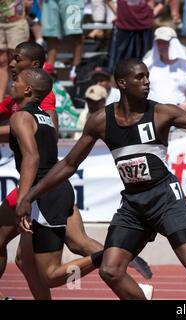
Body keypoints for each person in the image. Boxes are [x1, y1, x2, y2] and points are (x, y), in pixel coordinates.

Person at [16, 58, 186, 300]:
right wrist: (29, 196)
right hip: (133, 205)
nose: (147, 82)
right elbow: (67, 164)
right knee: (110, 270)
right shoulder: (101, 120)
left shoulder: (163, 113)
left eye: (148, 76)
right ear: (122, 83)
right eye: (140, 77)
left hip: (165, 197)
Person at [0, 42, 152, 300]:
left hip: (42, 191)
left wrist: (25, 199)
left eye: (17, 63)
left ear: (28, 86)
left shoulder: (27, 111)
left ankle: (107, 257)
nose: (11, 72)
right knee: (37, 258)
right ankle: (128, 281)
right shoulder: (36, 113)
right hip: (54, 187)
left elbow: (32, 156)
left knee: (50, 272)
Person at [143, 26, 186, 116]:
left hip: (177, 119)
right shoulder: (147, 65)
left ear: (174, 43)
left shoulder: (185, 67)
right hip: (151, 116)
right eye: (159, 43)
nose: (161, 46)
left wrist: (184, 109)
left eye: (165, 43)